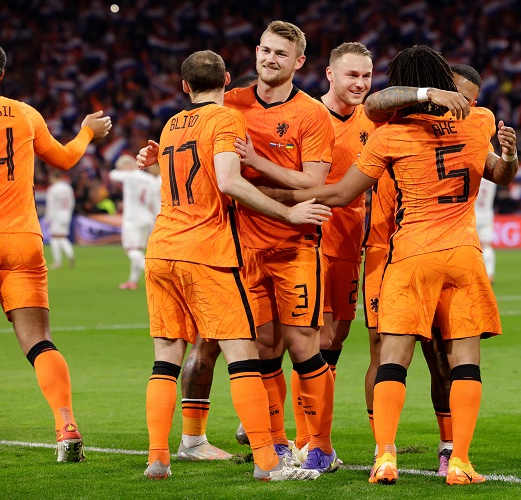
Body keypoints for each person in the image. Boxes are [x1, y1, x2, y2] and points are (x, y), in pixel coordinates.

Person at [262, 45, 518, 485]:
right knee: (464, 362)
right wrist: (508, 156)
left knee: (392, 359)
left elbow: (340, 193)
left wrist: (272, 195)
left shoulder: (389, 135)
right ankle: (460, 460)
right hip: (463, 256)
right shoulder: (480, 122)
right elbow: (497, 173)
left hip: (410, 253)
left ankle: (384, 456)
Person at [134, 50, 328, 481]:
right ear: (226, 80)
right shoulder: (225, 119)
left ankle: (158, 459)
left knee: (166, 358)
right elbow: (228, 181)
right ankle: (268, 462)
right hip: (205, 250)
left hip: (161, 248)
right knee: (242, 355)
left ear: (185, 86)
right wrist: (289, 213)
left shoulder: (171, 124)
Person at [0, 40, 112, 459]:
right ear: (0, 74)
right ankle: (65, 425)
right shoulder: (26, 113)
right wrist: (87, 131)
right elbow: (65, 159)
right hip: (25, 239)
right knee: (39, 341)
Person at [360, 62, 517, 476]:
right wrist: (429, 94)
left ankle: (445, 448)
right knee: (384, 349)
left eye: (468, 99)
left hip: (418, 248)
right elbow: (375, 103)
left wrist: (509, 156)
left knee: (439, 358)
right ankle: (387, 448)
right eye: (454, 94)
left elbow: (498, 172)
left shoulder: (464, 127)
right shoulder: (398, 119)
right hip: (390, 247)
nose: (459, 104)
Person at [226, 20, 339, 473]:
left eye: (281, 54)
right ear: (256, 51)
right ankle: (276, 444)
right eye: (266, 50)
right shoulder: (231, 103)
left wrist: (256, 162)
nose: (271, 59)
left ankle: (321, 446)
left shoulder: (311, 113)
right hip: (243, 245)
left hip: (295, 245)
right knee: (262, 347)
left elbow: (313, 181)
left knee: (303, 345)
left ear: (299, 62)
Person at [285, 41, 377, 466]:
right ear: (330, 74)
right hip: (307, 240)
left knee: (334, 342)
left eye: (366, 76)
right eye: (351, 75)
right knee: (310, 341)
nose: (359, 83)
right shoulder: (307, 115)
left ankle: (312, 438)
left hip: (350, 243)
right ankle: (307, 440)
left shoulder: (374, 120)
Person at [175, 73, 259, 462]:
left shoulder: (186, 124)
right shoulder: (227, 121)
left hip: (210, 246)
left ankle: (197, 439)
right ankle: (265, 443)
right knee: (236, 344)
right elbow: (229, 182)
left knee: (215, 343)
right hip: (227, 247)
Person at [451, 65, 498, 282]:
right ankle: (488, 274)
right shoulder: (489, 165)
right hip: (485, 213)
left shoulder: (470, 161)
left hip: (467, 211)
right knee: (485, 245)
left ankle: (478, 276)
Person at [109, 154, 160, 290]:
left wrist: (125, 170)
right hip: (147, 218)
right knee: (138, 250)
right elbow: (154, 201)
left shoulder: (129, 176)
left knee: (131, 251)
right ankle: (132, 281)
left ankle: (153, 273)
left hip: (132, 219)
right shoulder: (150, 179)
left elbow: (112, 175)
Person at [44, 172, 76, 269]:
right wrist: (69, 213)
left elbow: (50, 205)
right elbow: (72, 202)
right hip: (66, 214)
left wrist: (47, 218)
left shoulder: (53, 189)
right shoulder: (68, 188)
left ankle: (57, 262)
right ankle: (70, 254)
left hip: (56, 215)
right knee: (62, 236)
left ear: (54, 178)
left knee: (54, 237)